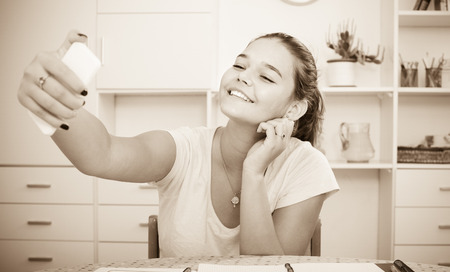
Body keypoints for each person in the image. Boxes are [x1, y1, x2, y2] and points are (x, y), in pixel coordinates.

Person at [17, 30, 339, 257]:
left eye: (266, 77)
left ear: (295, 108)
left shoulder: (306, 166)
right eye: (240, 65)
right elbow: (103, 154)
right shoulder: (185, 149)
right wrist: (51, 99)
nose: (242, 76)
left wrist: (253, 171)